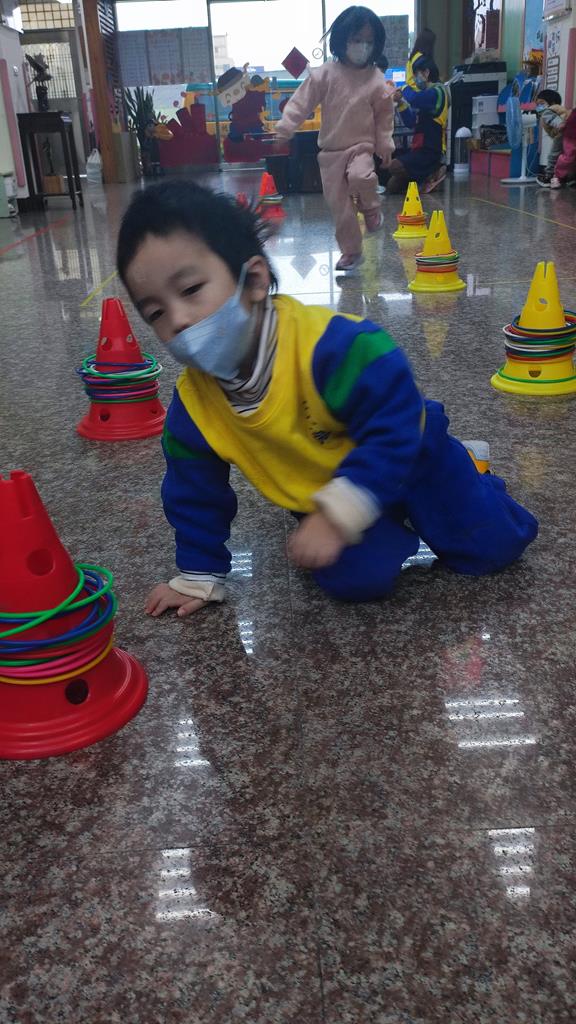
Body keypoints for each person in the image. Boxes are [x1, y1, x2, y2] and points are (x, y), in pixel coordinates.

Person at [116, 180, 538, 618]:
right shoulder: (194, 407)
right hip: (325, 487)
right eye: (156, 313)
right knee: (356, 582)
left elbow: (397, 418)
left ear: (254, 280)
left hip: (412, 455)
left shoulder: (332, 348)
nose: (178, 320)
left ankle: (469, 467)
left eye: (190, 290)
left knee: (494, 548)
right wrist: (199, 574)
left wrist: (339, 515)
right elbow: (193, 490)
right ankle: (375, 519)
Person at [274, 6, 395, 273]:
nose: (363, 46)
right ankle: (351, 252)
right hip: (330, 153)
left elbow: (385, 116)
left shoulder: (376, 79)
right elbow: (301, 102)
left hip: (361, 147)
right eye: (356, 39)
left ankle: (371, 209)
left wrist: (385, 143)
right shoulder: (325, 74)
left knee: (361, 177)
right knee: (340, 209)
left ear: (376, 45)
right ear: (342, 39)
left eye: (369, 41)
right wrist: (286, 127)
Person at [387, 54, 448, 194]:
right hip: (419, 149)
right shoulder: (426, 95)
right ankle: (425, 180)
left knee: (393, 166)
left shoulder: (438, 92)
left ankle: (433, 172)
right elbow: (411, 122)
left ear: (426, 73)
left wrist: (403, 88)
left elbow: (414, 99)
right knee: (392, 186)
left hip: (431, 151)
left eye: (416, 75)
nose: (415, 79)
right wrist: (400, 103)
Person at [535, 90, 571, 188]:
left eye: (541, 103)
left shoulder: (547, 111)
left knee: (553, 155)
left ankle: (548, 176)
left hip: (561, 134)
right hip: (569, 134)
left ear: (552, 102)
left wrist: (560, 125)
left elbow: (557, 122)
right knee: (567, 156)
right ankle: (567, 178)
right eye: (537, 104)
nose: (539, 107)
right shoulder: (560, 109)